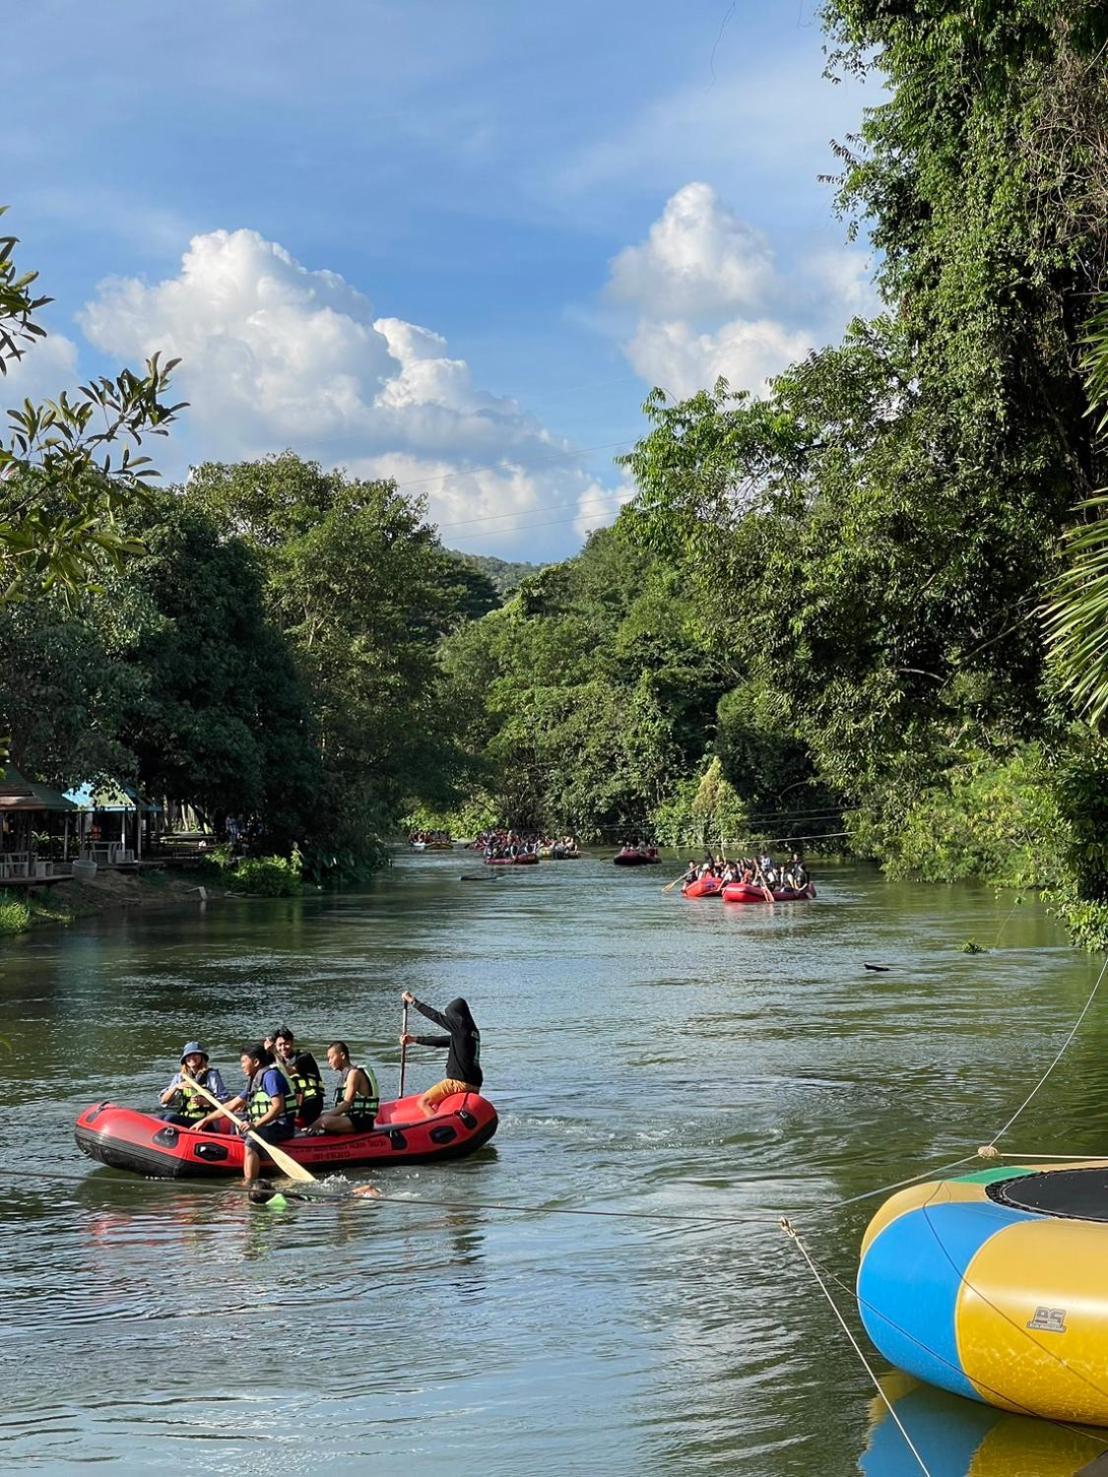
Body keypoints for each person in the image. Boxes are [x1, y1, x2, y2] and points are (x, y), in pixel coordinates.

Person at [194, 1043, 296, 1181]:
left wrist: (255, 1125)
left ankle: (249, 1182)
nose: (241, 1065)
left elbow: (278, 1107)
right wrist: (206, 1120)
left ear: (255, 1062)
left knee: (251, 1141)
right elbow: (232, 1105)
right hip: (267, 1124)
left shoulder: (271, 1077)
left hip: (281, 1126)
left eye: (244, 1061)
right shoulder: (254, 1080)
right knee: (236, 1122)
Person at [400, 991, 482, 1117]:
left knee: (423, 1102)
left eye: (451, 1017)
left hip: (459, 1082)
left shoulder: (460, 1027)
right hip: (474, 1084)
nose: (450, 1020)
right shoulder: (471, 1032)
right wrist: (414, 1039)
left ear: (457, 1016)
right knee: (440, 1104)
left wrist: (413, 1001)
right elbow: (443, 1041)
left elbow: (435, 1016)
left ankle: (435, 1128)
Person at [309, 1042, 380, 1135]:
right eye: (328, 1058)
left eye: (331, 1057)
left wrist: (319, 1121)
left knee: (324, 1121)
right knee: (320, 1117)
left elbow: (346, 1104)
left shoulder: (354, 1074)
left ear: (342, 1055)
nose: (329, 1062)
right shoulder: (345, 1075)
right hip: (350, 1118)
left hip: (362, 1121)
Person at [158, 1043, 229, 1128]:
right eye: (189, 1055)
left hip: (206, 1122)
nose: (192, 1058)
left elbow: (225, 1102)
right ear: (185, 1060)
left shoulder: (212, 1075)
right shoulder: (180, 1077)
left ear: (201, 1057)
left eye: (195, 1054)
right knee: (161, 1118)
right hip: (187, 1119)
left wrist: (207, 1102)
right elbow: (163, 1101)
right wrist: (175, 1088)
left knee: (170, 1119)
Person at [272, 1026, 325, 1127]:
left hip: (311, 1102)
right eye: (280, 1045)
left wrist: (272, 1053)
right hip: (294, 1103)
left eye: (286, 1043)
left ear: (292, 1042)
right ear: (275, 1045)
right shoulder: (277, 1060)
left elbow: (289, 1072)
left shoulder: (304, 1057)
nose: (283, 1048)